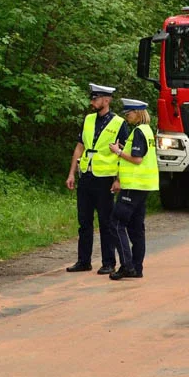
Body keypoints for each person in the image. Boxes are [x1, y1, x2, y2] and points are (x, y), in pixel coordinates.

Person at [66, 83, 131, 274]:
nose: (92, 102)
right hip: (86, 175)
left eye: (96, 99)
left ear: (107, 100)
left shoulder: (119, 123)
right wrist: (71, 173)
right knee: (84, 221)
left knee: (106, 222)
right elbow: (79, 147)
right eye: (92, 99)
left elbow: (124, 153)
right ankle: (83, 260)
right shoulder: (88, 119)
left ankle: (108, 262)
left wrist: (118, 179)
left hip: (105, 178)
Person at [107, 99, 158, 280]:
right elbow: (140, 154)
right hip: (143, 186)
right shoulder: (147, 130)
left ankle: (127, 266)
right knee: (137, 228)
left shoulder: (138, 131)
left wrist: (118, 151)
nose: (126, 117)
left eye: (128, 113)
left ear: (137, 113)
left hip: (133, 186)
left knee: (116, 223)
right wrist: (123, 149)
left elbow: (137, 159)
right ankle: (137, 267)